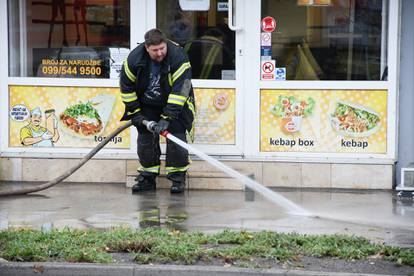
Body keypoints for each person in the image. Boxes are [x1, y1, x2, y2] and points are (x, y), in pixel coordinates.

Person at [119, 28, 195, 194]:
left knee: (176, 137)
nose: (160, 53)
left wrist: (168, 117)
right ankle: (147, 177)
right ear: (147, 48)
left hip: (175, 104)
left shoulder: (178, 57)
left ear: (166, 44)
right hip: (147, 104)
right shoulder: (134, 59)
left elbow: (182, 89)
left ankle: (177, 179)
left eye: (162, 48)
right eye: (155, 50)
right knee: (146, 139)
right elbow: (126, 88)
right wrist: (136, 113)